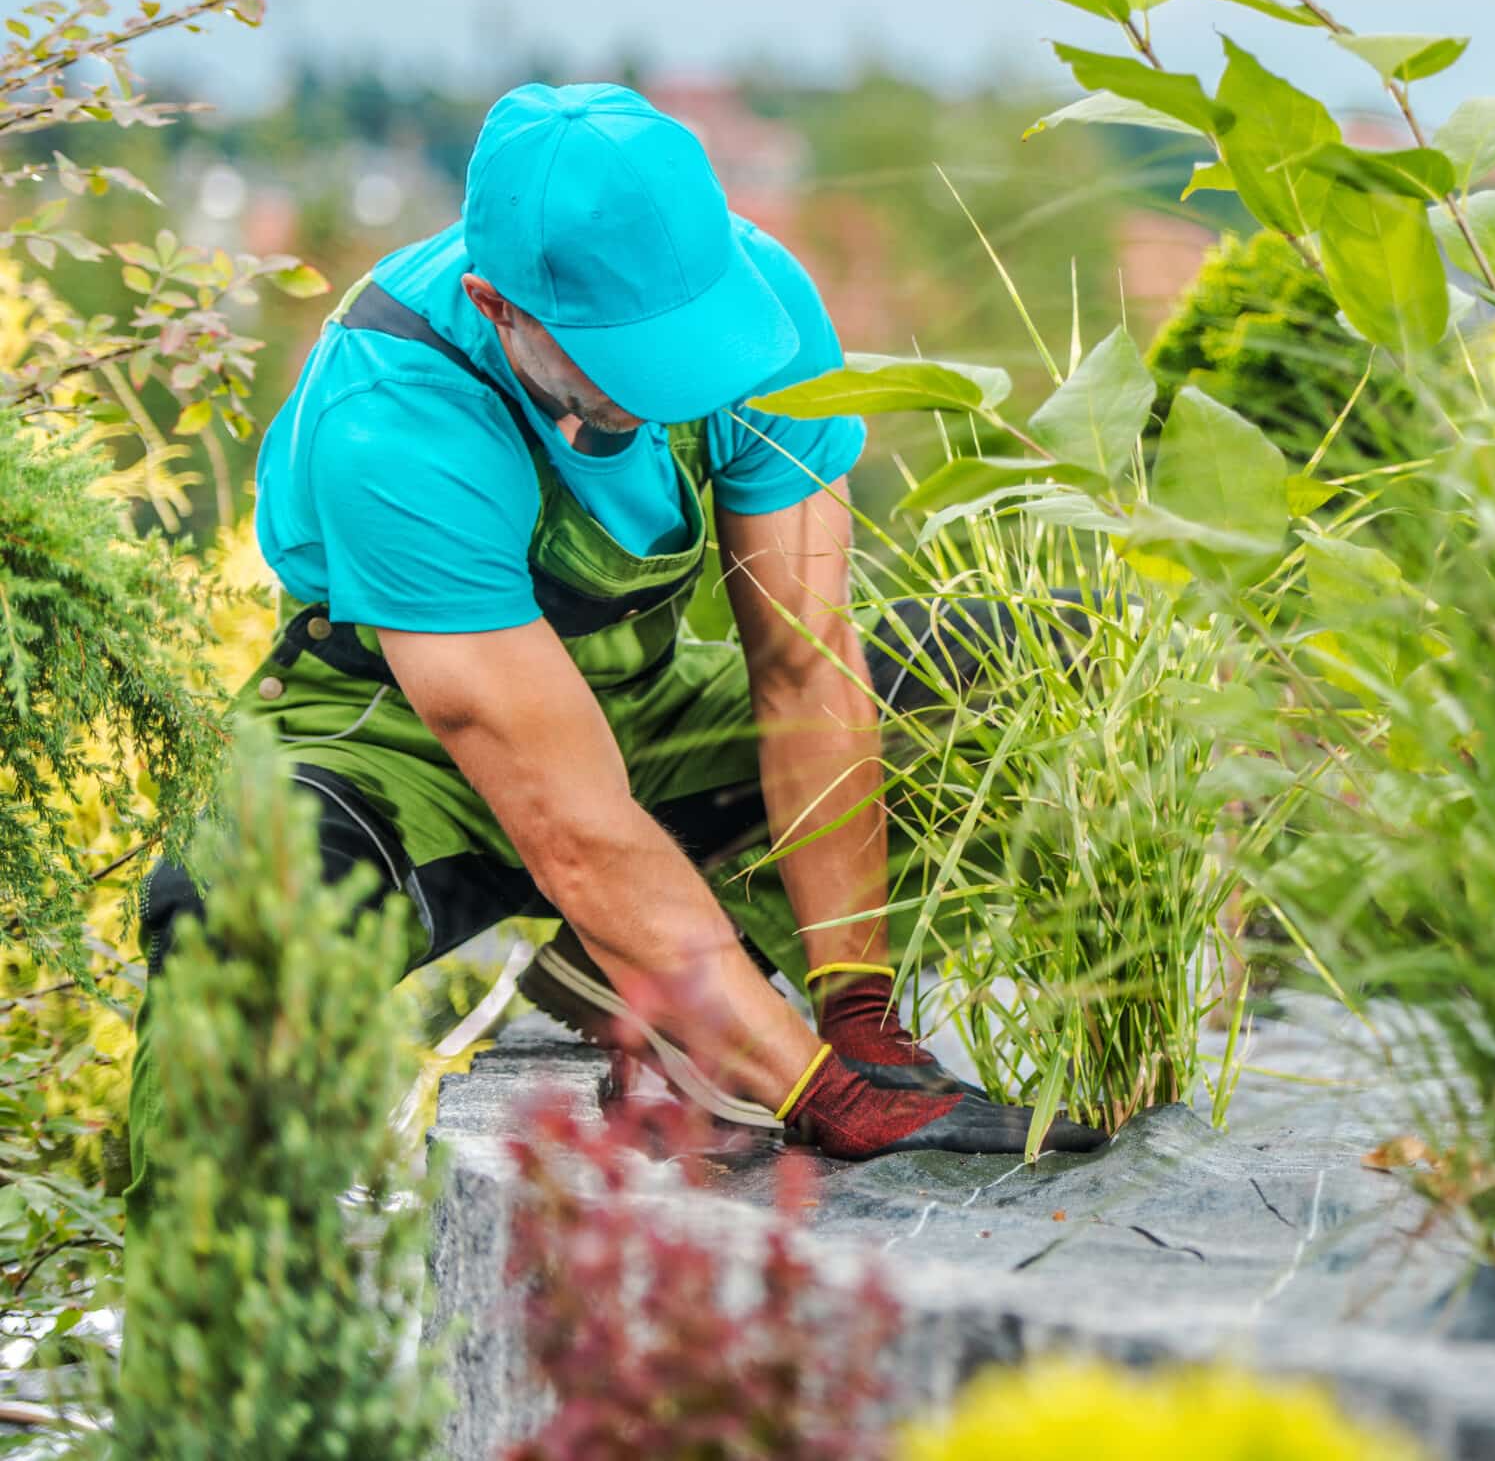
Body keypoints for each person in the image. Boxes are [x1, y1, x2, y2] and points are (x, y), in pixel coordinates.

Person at [125, 82, 1104, 1210]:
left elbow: (803, 664)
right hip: (392, 747)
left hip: (633, 707)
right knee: (233, 915)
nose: (671, 389)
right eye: (624, 366)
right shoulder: (392, 412)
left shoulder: (760, 315)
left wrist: (855, 1006)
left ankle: (643, 966)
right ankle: (199, 1331)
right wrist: (822, 1097)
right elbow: (574, 827)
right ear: (497, 307)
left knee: (1011, 678)